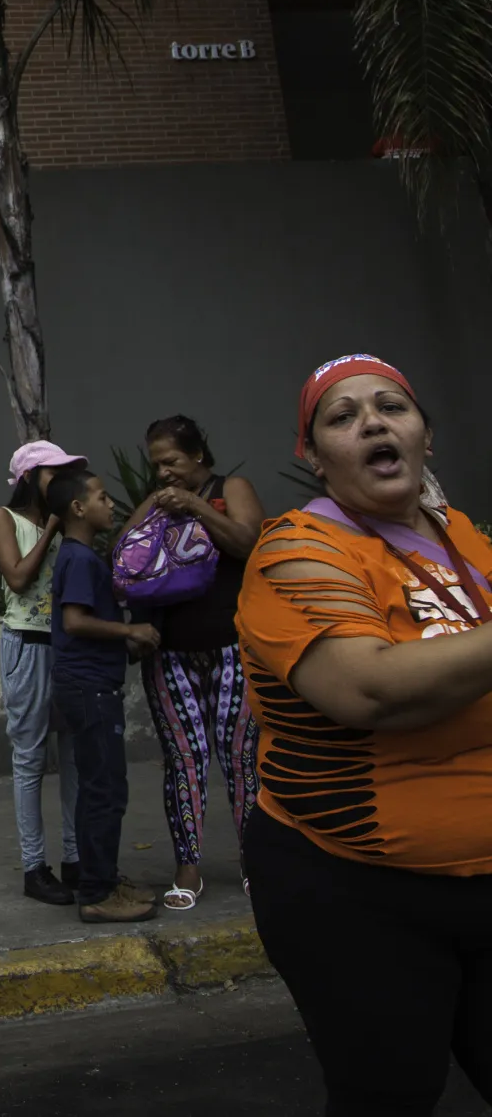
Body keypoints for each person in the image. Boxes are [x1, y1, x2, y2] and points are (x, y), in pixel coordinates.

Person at [237, 353, 492, 1114]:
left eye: (392, 407)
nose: (373, 422)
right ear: (313, 458)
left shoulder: (464, 540)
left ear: (425, 436)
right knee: (390, 1095)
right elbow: (371, 689)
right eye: (342, 417)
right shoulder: (295, 552)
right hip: (352, 889)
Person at [122, 416, 265, 911]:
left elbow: (249, 543)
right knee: (184, 761)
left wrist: (198, 505)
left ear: (199, 455)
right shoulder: (159, 500)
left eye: (172, 461)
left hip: (234, 648)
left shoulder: (232, 487)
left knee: (241, 760)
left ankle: (256, 862)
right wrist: (159, 505)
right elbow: (124, 556)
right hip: (170, 654)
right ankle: (188, 867)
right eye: (156, 464)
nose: (163, 473)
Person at [45, 468, 160, 924]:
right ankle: (96, 892)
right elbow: (74, 621)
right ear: (78, 508)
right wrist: (129, 628)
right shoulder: (79, 559)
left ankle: (103, 876)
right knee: (104, 792)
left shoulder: (83, 557)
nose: (110, 505)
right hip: (89, 689)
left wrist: (124, 640)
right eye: (103, 497)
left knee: (101, 788)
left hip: (92, 685)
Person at [0, 441, 87, 905]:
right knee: (30, 759)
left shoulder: (72, 522)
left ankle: (74, 858)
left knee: (72, 756)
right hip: (26, 645)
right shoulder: (4, 519)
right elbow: (18, 577)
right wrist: (52, 527)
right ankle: (34, 867)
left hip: (65, 646)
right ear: (30, 477)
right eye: (54, 474)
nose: (64, 483)